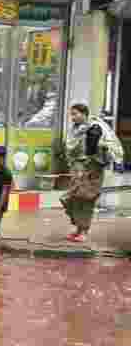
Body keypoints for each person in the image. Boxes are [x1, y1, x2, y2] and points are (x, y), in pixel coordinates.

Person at [61, 103, 120, 243]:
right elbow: (70, 148)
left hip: (93, 168)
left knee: (86, 199)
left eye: (75, 114)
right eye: (71, 114)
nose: (72, 117)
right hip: (78, 169)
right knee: (72, 198)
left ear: (84, 113)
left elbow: (109, 146)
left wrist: (99, 147)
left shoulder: (97, 127)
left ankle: (84, 231)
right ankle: (78, 228)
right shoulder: (74, 130)